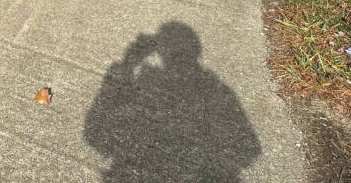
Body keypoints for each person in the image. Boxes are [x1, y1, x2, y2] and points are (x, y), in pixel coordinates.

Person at [86, 21, 261, 182]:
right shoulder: (218, 88)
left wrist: (128, 62)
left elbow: (94, 134)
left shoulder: (216, 87)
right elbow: (249, 150)